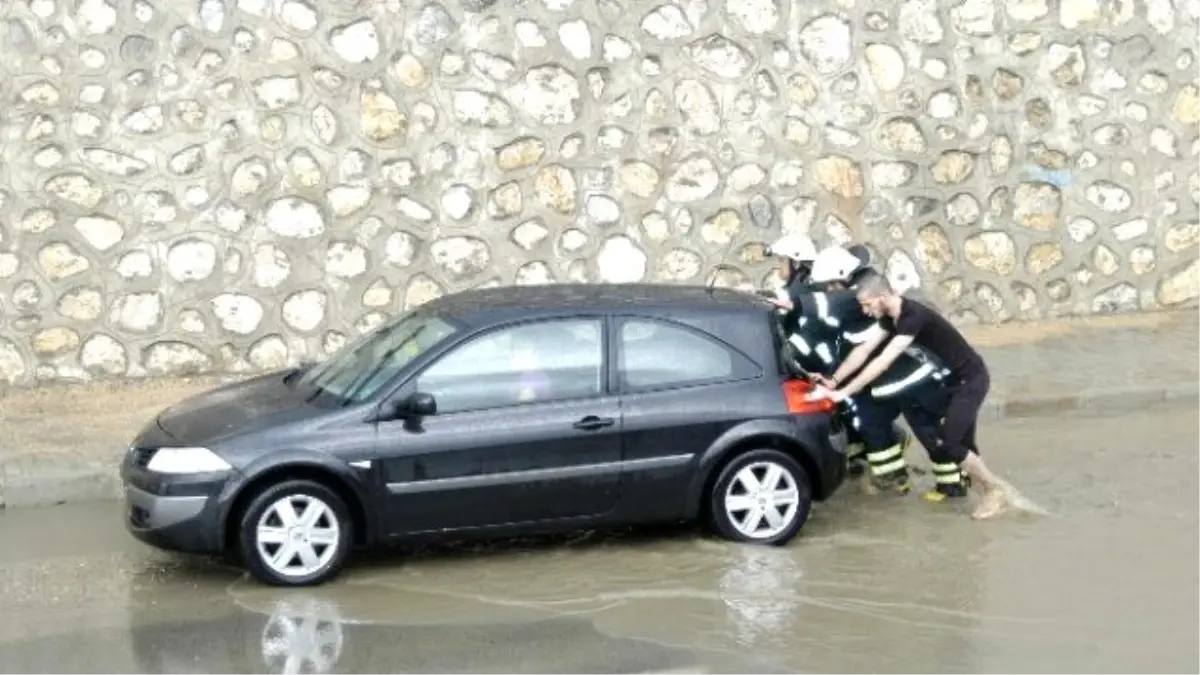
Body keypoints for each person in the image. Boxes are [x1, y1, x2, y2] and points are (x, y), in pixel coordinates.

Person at [810, 271, 1009, 519]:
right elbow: (864, 350)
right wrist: (834, 381)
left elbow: (882, 361)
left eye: (868, 304)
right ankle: (994, 494)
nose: (865, 311)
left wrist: (845, 393)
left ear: (882, 297)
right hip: (950, 382)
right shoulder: (889, 318)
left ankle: (993, 492)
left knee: (951, 442)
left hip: (970, 380)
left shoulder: (912, 317)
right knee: (964, 446)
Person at [793, 246, 951, 495]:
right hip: (879, 383)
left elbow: (837, 312)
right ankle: (893, 480)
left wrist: (792, 302)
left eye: (830, 286)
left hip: (910, 380)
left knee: (927, 431)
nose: (829, 291)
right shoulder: (857, 300)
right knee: (871, 425)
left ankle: (952, 485)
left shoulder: (864, 299)